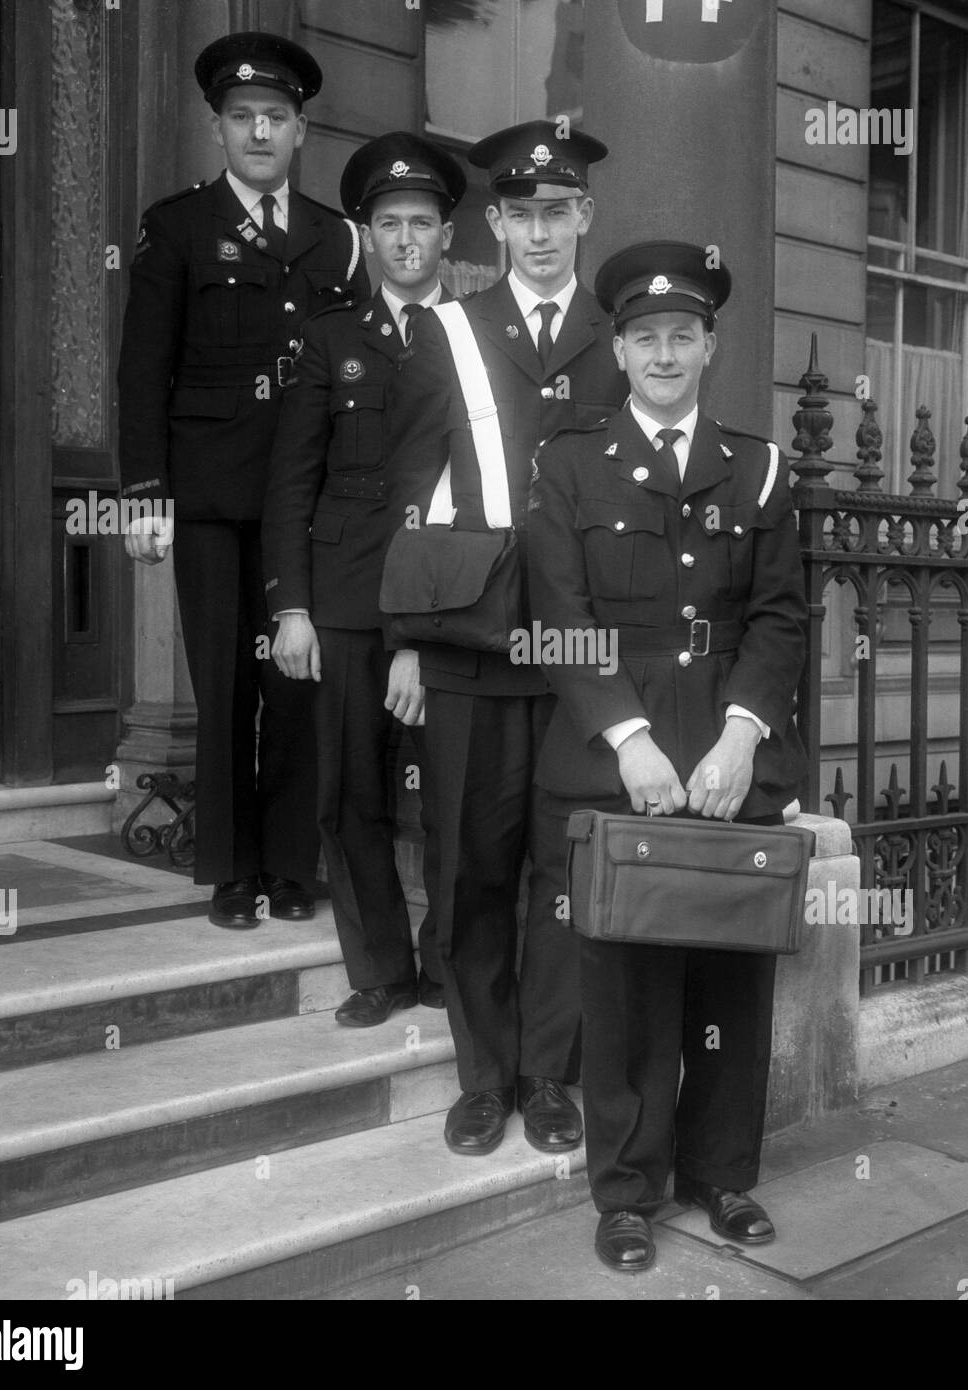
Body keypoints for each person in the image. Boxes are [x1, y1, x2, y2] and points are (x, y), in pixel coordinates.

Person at [526, 241, 808, 1272]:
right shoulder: (568, 463)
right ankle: (629, 1193)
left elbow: (779, 618)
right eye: (644, 336)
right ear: (618, 346)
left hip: (729, 746)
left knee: (729, 968)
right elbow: (559, 614)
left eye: (681, 335)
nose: (663, 352)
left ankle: (722, 1173)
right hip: (618, 750)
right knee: (629, 977)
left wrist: (741, 734)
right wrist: (629, 738)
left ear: (708, 346)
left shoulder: (761, 465)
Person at [383, 120, 626, 1156]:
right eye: (520, 213)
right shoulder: (448, 330)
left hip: (581, 663)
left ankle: (549, 1073)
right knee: (471, 869)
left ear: (586, 218)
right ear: (493, 221)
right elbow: (401, 492)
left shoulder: (626, 335)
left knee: (565, 876)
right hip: (471, 653)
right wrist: (402, 641)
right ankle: (483, 1078)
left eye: (557, 212)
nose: (539, 232)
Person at [118, 31, 368, 929]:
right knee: (222, 682)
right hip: (211, 497)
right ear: (218, 127)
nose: (259, 132)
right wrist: (141, 493)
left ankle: (291, 866)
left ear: (300, 131)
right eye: (242, 117)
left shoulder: (336, 241)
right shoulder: (177, 226)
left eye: (276, 118)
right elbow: (143, 366)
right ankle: (230, 869)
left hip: (305, 502)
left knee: (297, 684)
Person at [262, 133, 467, 1025]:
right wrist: (291, 608)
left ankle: (449, 967)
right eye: (390, 223)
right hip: (342, 600)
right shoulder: (328, 338)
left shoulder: (473, 338)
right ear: (367, 235)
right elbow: (290, 481)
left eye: (423, 222)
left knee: (458, 802)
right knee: (349, 796)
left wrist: (431, 630)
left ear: (448, 236)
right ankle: (379, 968)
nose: (408, 239)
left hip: (444, 598)